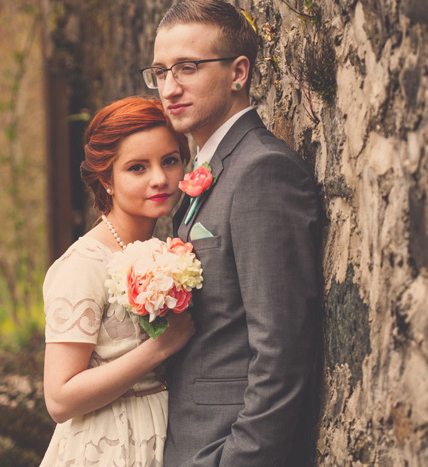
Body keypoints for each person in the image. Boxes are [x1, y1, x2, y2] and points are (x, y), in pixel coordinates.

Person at [139, 1, 322, 465]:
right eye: (160, 72)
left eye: (187, 68)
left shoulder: (263, 171)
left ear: (239, 71)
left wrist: (236, 459)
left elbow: (282, 350)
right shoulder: (212, 166)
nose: (169, 88)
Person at [40, 96, 195, 466]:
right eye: (137, 168)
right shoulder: (83, 265)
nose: (160, 179)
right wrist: (160, 347)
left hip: (168, 433)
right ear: (107, 180)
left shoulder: (171, 249)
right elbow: (59, 399)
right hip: (109, 443)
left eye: (170, 161)